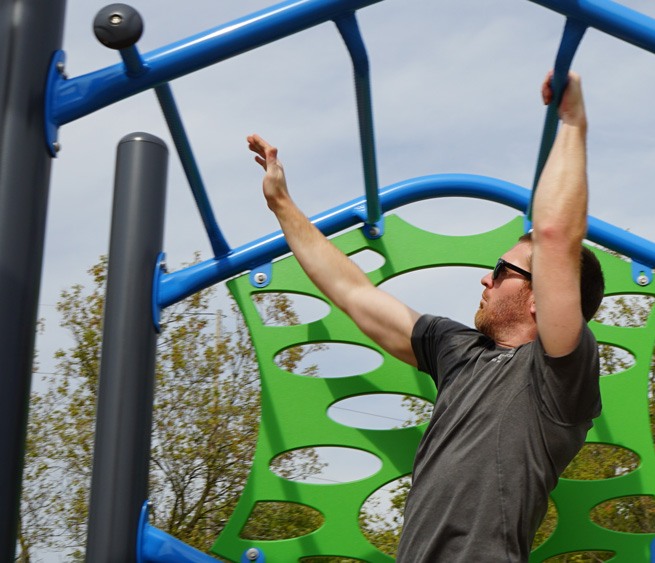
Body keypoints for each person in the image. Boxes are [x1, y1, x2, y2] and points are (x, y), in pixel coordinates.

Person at [248, 70, 604, 562]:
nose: (486, 279)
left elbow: (554, 233)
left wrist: (571, 121)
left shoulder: (558, 374)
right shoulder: (460, 351)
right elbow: (354, 293)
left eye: (501, 271)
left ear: (541, 294)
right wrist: (282, 205)